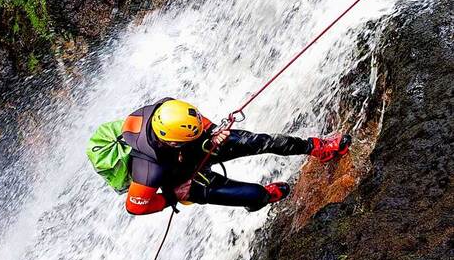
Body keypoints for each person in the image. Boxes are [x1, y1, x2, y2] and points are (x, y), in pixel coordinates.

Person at [121, 98, 351, 215]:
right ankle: (261, 198)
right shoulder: (148, 170)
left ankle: (316, 147)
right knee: (254, 195)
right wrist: (171, 198)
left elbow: (198, 121)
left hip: (200, 146)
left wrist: (212, 132)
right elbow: (135, 207)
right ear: (172, 141)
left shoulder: (170, 109)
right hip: (183, 180)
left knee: (261, 142)